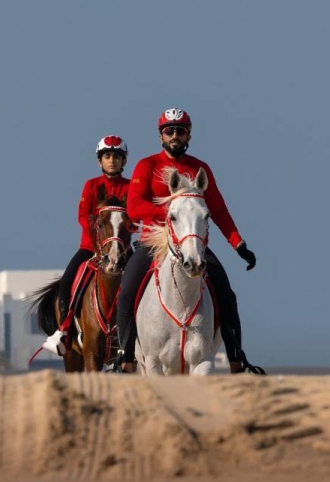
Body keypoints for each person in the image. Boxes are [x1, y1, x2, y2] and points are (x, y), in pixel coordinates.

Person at [116, 108, 257, 374]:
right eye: (169, 131)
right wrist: (173, 212)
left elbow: (218, 209)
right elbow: (134, 207)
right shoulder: (146, 166)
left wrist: (238, 243)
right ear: (161, 136)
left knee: (226, 292)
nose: (174, 135)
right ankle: (124, 353)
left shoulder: (200, 169)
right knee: (126, 292)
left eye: (180, 131)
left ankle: (236, 354)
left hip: (192, 242)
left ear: (188, 134)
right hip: (154, 241)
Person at [42, 135, 131, 355]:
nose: (112, 161)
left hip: (122, 249)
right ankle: (63, 331)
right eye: (107, 156)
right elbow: (83, 216)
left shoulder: (130, 187)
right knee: (68, 282)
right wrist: (98, 237)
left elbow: (136, 216)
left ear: (124, 161)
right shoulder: (91, 185)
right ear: (100, 161)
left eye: (117, 157)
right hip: (90, 248)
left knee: (142, 279)